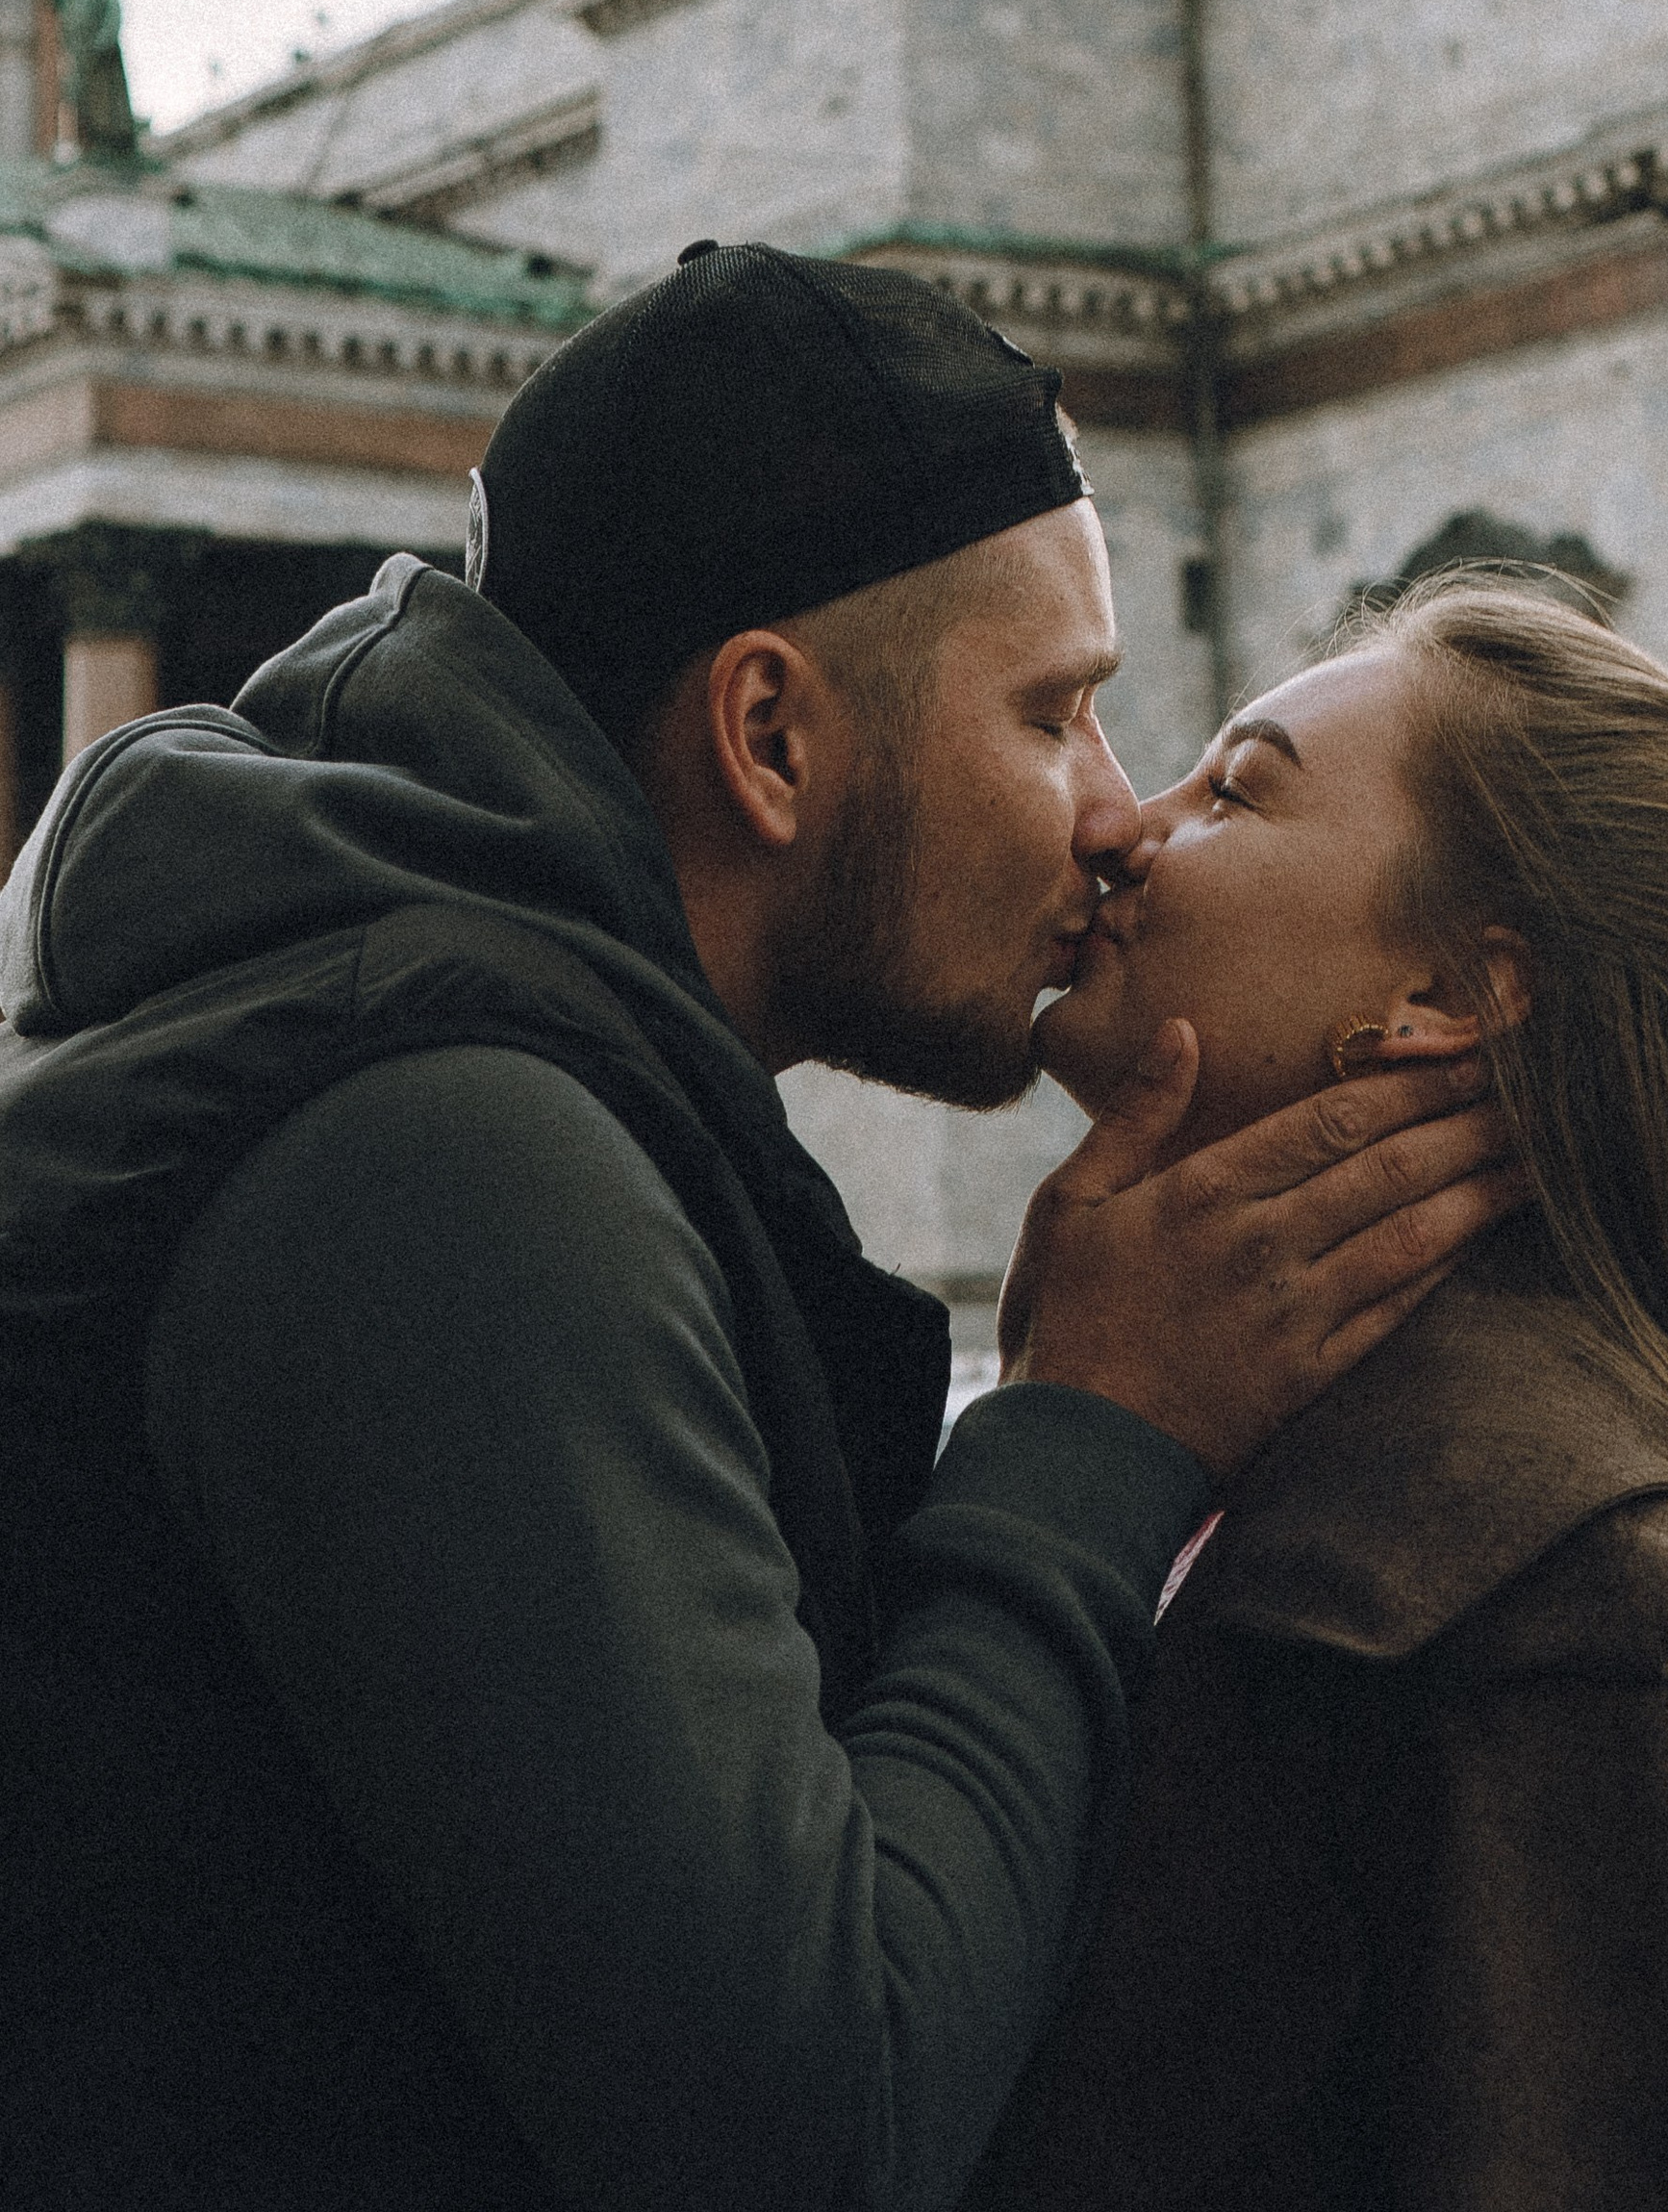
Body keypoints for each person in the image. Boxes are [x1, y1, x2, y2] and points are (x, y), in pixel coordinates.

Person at [0, 248, 1521, 2210]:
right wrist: (1096, 1434)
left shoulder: (432, 1038)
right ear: (772, 740)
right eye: (1054, 713)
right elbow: (816, 2129)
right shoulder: (441, 1153)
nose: (1118, 818)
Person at [972, 575, 1668, 2209]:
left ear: (1457, 998)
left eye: (1236, 784)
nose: (1127, 821)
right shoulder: (1319, 1509)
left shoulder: (1600, 1638)